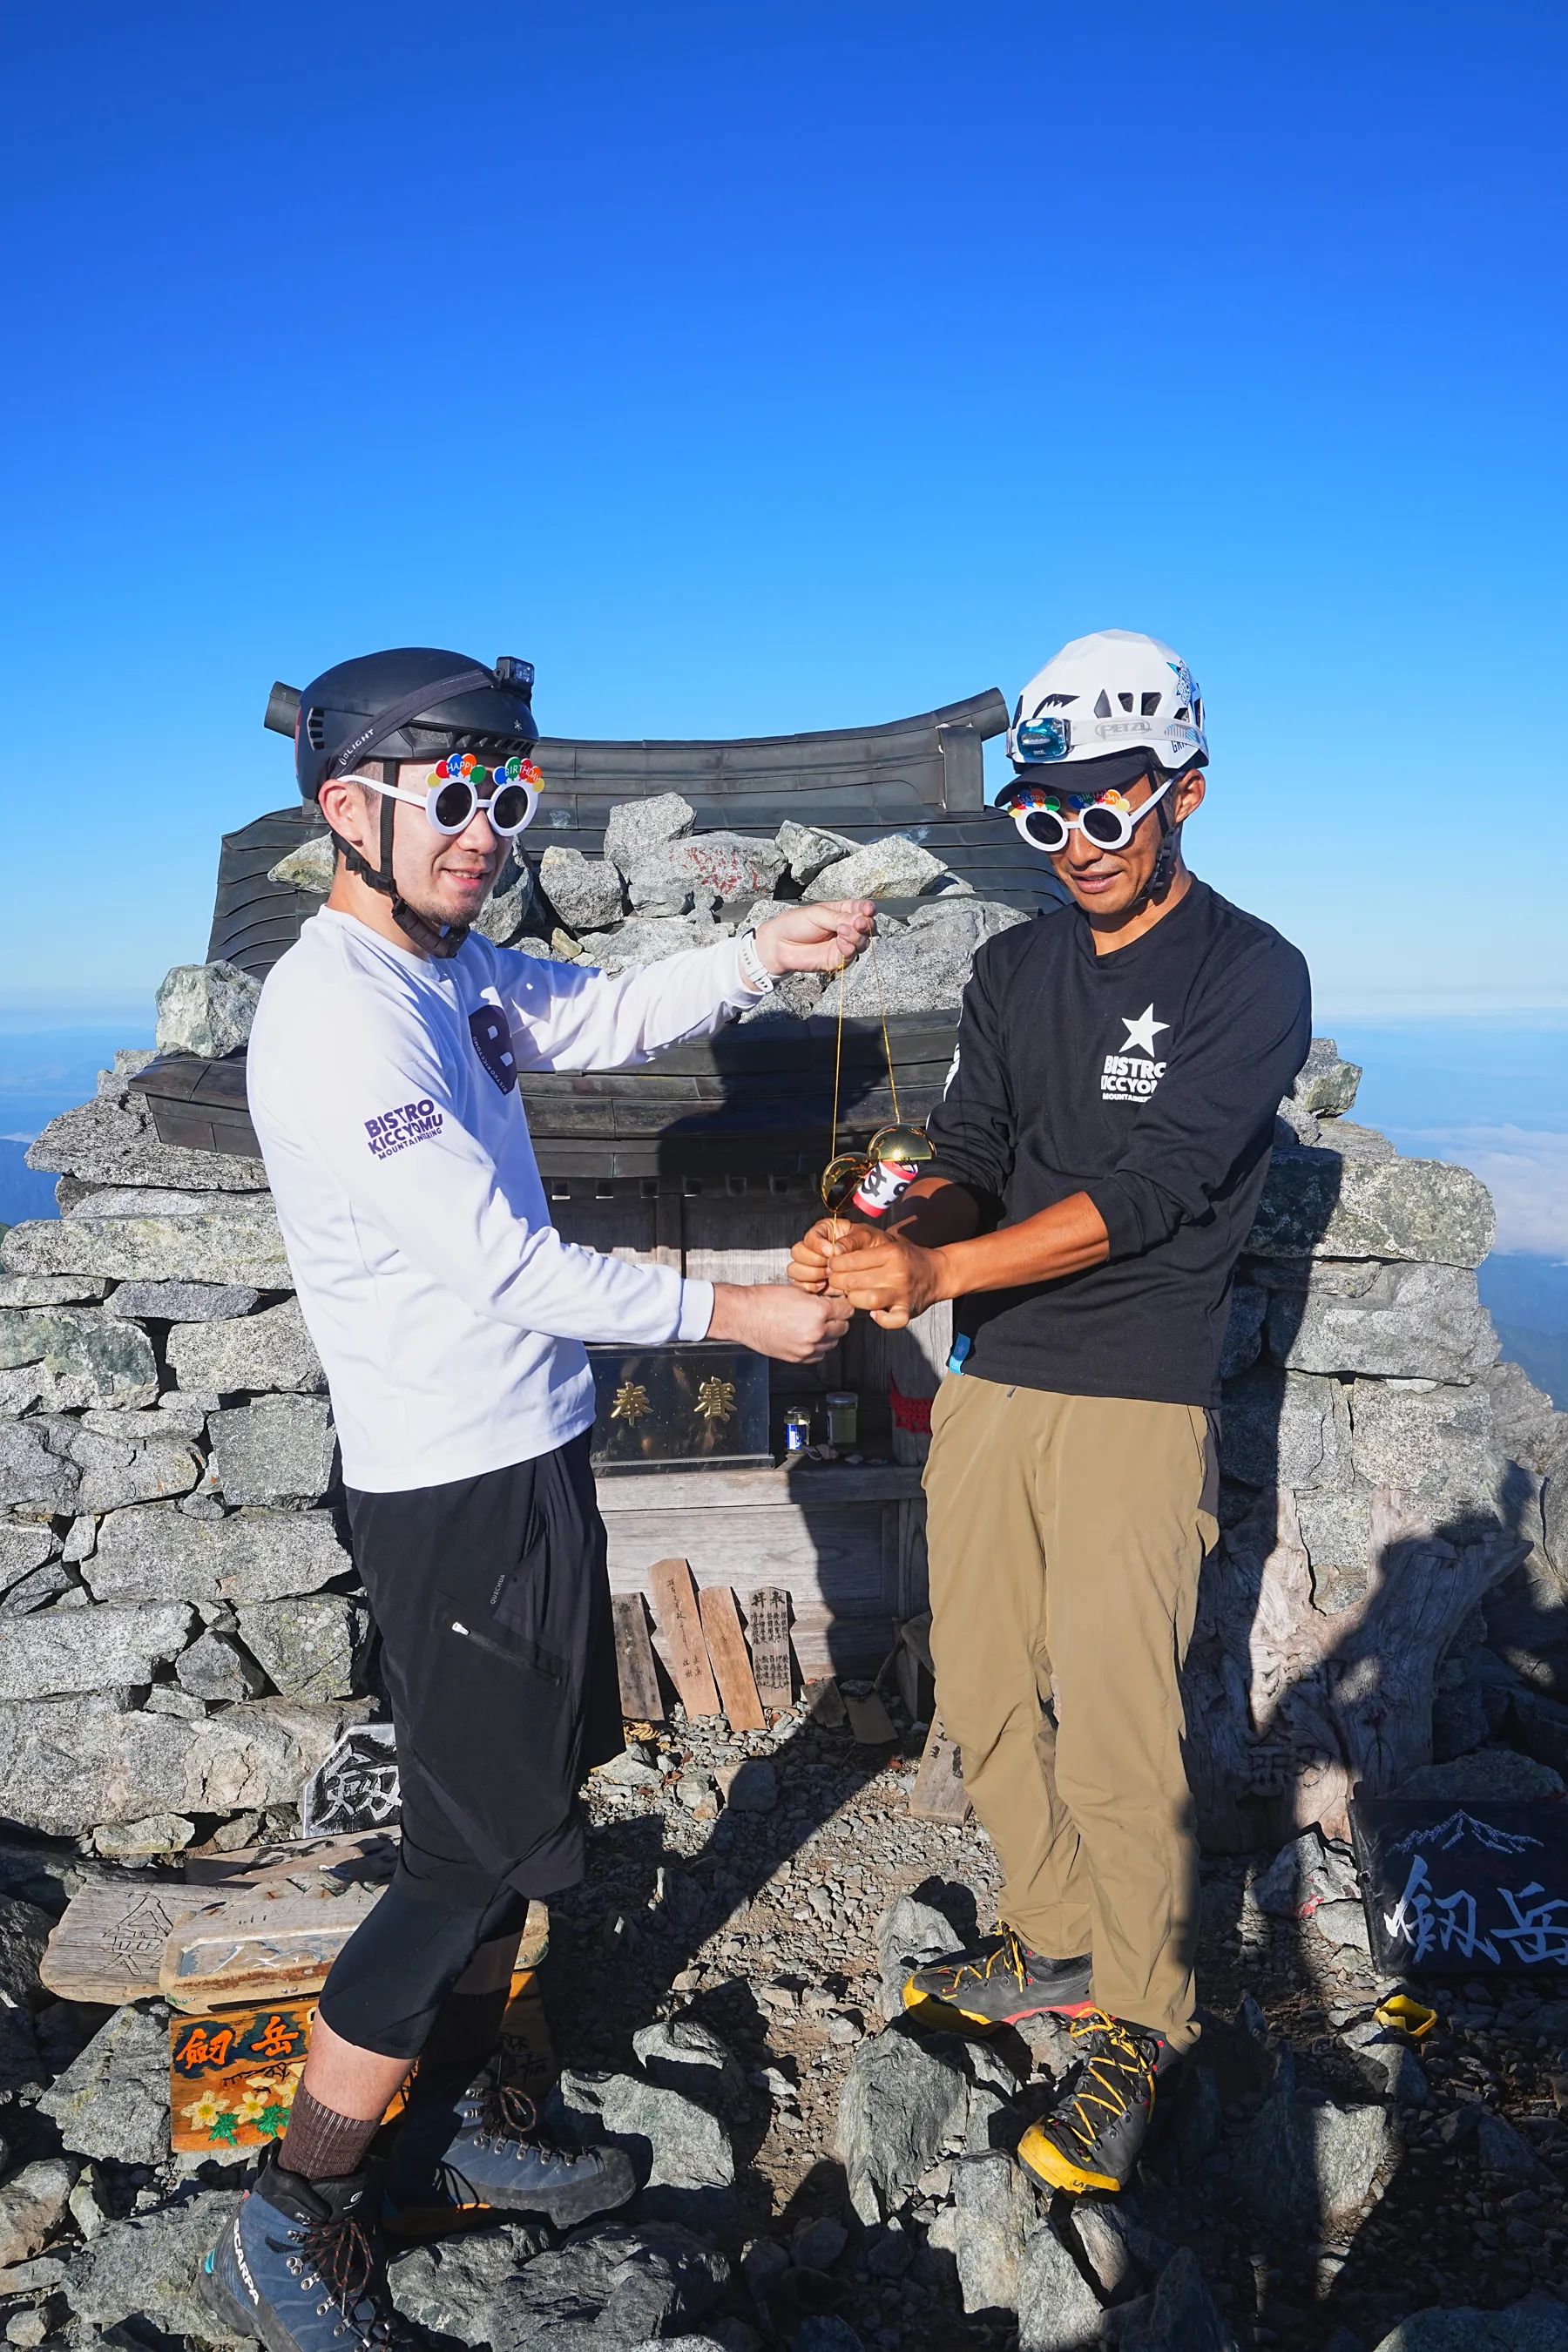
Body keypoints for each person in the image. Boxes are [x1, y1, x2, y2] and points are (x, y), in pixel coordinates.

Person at [203, 647, 872, 2352]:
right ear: (346, 806)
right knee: (453, 1863)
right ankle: (297, 2210)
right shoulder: (339, 1013)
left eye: (509, 794)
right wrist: (740, 1316)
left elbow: (586, 1016)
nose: (489, 829)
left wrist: (751, 957)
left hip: (527, 1464)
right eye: (456, 795)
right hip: (456, 1499)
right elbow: (500, 1263)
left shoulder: (449, 975)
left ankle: (493, 2125)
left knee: (529, 1815)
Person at [790, 629, 1310, 2196]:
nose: (1078, 843)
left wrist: (935, 1259)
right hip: (1000, 1383)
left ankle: (1145, 2023)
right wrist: (878, 1217)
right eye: (1047, 813)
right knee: (991, 1692)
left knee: (1117, 1723)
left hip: (1137, 1395)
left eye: (1109, 807)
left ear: (1186, 794)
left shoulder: (1250, 974)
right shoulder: (1012, 967)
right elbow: (972, 1136)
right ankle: (1060, 1935)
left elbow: (1152, 1197)